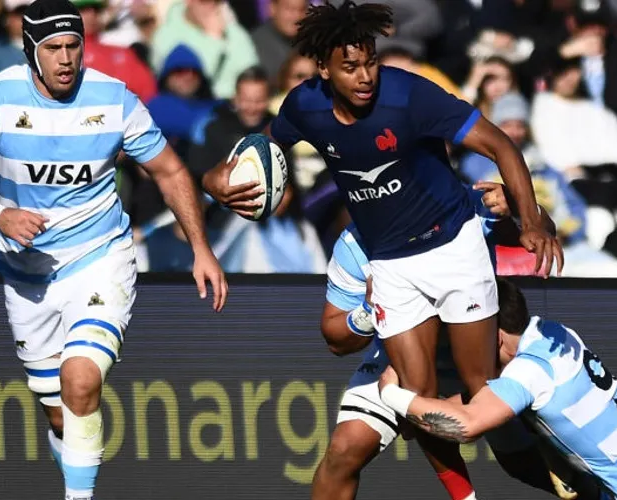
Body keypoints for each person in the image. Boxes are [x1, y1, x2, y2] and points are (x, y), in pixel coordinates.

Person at [200, 1, 563, 497]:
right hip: (389, 263)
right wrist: (214, 179)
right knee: (414, 401)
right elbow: (258, 152)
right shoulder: (303, 107)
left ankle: (565, 476)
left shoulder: (409, 96)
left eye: (370, 60)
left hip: (454, 246)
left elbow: (500, 144)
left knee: (482, 392)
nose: (366, 74)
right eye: (350, 67)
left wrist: (532, 218)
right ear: (323, 69)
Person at [0, 1, 227, 499]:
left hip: (99, 257)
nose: (66, 58)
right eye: (54, 48)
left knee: (80, 378)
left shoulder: (114, 98)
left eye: (73, 46)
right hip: (27, 276)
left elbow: (170, 170)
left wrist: (202, 248)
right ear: (30, 53)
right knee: (62, 416)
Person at [376, 278, 617, 500]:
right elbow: (478, 402)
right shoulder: (550, 331)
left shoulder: (531, 373)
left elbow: (466, 424)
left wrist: (392, 394)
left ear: (494, 335)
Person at [313, 182, 590, 500]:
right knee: (345, 449)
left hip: (477, 349)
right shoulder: (353, 245)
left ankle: (596, 489)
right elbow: (336, 340)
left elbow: (540, 231)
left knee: (524, 464)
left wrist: (525, 208)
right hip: (399, 356)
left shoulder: (463, 204)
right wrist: (367, 310)